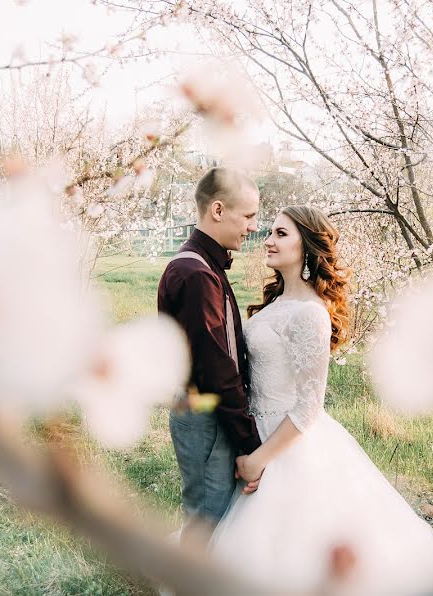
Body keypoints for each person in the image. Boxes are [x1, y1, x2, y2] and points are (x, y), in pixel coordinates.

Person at [209, 205, 433, 595]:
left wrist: (259, 459)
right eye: (270, 232)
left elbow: (308, 406)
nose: (268, 240)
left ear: (307, 246)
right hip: (256, 430)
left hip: (287, 445)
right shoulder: (277, 303)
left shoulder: (310, 313)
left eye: (280, 233)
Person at [157, 167, 262, 546]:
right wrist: (249, 442)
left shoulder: (204, 266)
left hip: (207, 414)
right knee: (207, 523)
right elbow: (217, 368)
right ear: (218, 210)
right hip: (205, 417)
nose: (253, 227)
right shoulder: (196, 273)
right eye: (248, 216)